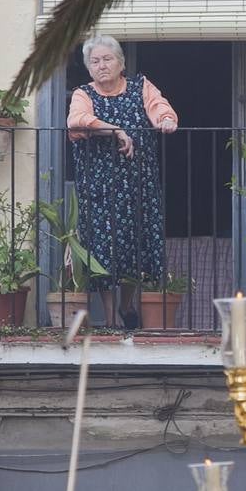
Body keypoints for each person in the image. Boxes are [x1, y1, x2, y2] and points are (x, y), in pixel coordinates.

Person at [66, 34, 178, 328]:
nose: (101, 66)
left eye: (107, 59)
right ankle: (111, 315)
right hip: (99, 186)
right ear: (89, 68)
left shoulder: (141, 87)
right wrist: (114, 129)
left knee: (134, 245)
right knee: (102, 248)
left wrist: (166, 119)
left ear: (121, 63)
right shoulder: (83, 94)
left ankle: (126, 307)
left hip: (137, 184)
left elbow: (159, 108)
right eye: (95, 61)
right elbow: (76, 120)